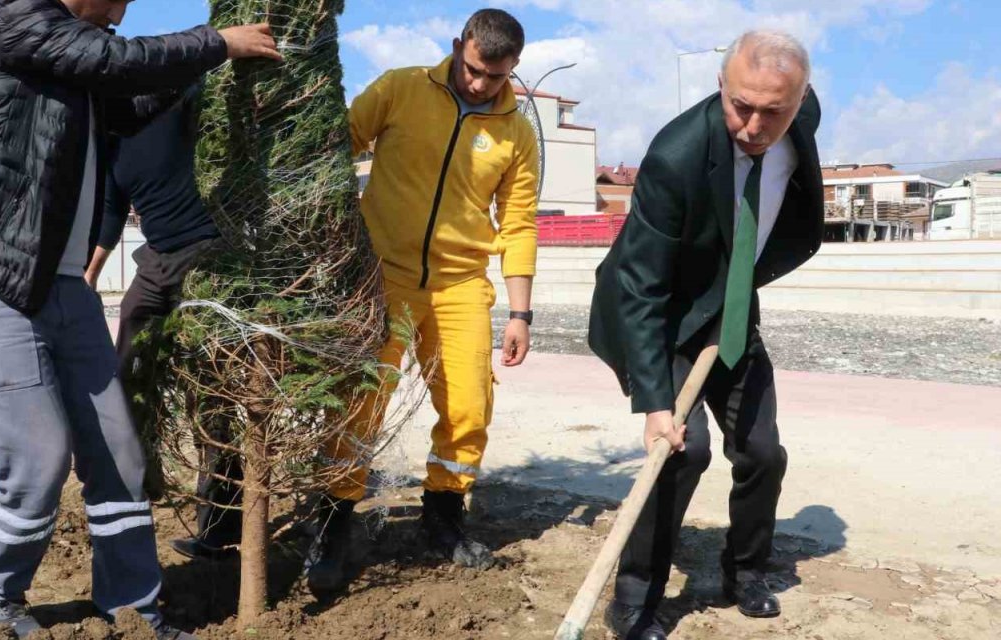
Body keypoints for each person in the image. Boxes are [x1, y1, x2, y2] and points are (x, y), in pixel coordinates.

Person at [0, 0, 279, 637]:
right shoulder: (13, 18)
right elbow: (113, 59)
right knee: (38, 453)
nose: (118, 15)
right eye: (115, 2)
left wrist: (207, 77)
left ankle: (133, 606)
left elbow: (128, 99)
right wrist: (216, 42)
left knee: (118, 450)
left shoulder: (79, 60)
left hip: (61, 285)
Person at [586, 30, 823, 640]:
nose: (753, 124)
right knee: (680, 450)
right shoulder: (676, 155)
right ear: (721, 85)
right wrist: (655, 404)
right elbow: (641, 285)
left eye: (774, 110)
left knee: (763, 453)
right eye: (741, 104)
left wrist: (738, 290)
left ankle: (745, 573)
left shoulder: (800, 119)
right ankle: (636, 596)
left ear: (801, 101)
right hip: (662, 315)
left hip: (731, 309)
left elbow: (784, 222)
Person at [304, 8, 539, 595]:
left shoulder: (517, 132)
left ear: (514, 68)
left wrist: (520, 312)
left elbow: (518, 220)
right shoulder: (400, 88)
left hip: (462, 285)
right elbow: (334, 146)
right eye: (474, 69)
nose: (482, 84)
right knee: (361, 402)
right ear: (458, 47)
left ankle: (443, 517)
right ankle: (332, 522)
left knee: (468, 407)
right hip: (383, 276)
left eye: (497, 75)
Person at [84, 82, 242, 561]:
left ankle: (218, 528)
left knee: (212, 394)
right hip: (159, 260)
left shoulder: (174, 106)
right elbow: (111, 216)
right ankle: (135, 476)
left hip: (207, 256)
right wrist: (88, 278)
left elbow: (211, 89)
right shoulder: (110, 146)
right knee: (127, 362)